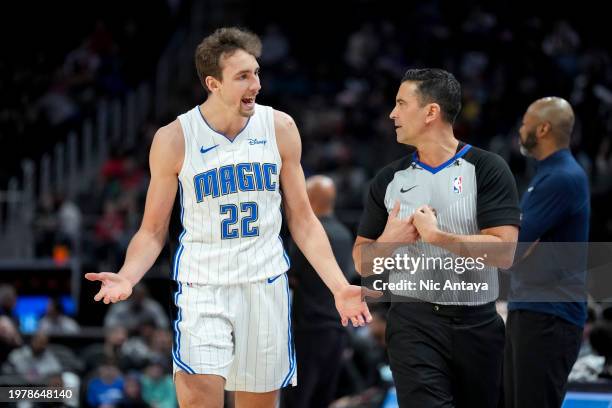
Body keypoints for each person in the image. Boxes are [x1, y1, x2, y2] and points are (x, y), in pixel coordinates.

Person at [85, 27, 375, 408]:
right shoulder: (174, 138)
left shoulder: (280, 128)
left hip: (264, 286)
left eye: (256, 73)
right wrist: (127, 275)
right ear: (213, 83)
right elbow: (153, 231)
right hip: (203, 286)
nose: (255, 83)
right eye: (243, 76)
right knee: (199, 399)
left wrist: (339, 287)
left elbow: (303, 221)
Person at [353, 68, 520, 407]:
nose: (392, 114)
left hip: (478, 323)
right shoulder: (389, 179)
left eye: (401, 104)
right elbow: (362, 262)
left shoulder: (488, 168)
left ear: (431, 112)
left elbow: (504, 252)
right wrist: (390, 239)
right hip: (413, 323)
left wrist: (437, 237)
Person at [505, 97, 590, 408]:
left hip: (548, 316)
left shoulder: (561, 178)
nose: (520, 128)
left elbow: (511, 250)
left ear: (542, 129)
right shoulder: (547, 175)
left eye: (526, 121)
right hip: (532, 311)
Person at [283, 175, 355, 408]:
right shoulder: (345, 234)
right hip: (337, 329)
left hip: (308, 329)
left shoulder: (310, 234)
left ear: (309, 198)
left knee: (296, 399)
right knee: (322, 399)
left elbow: (291, 274)